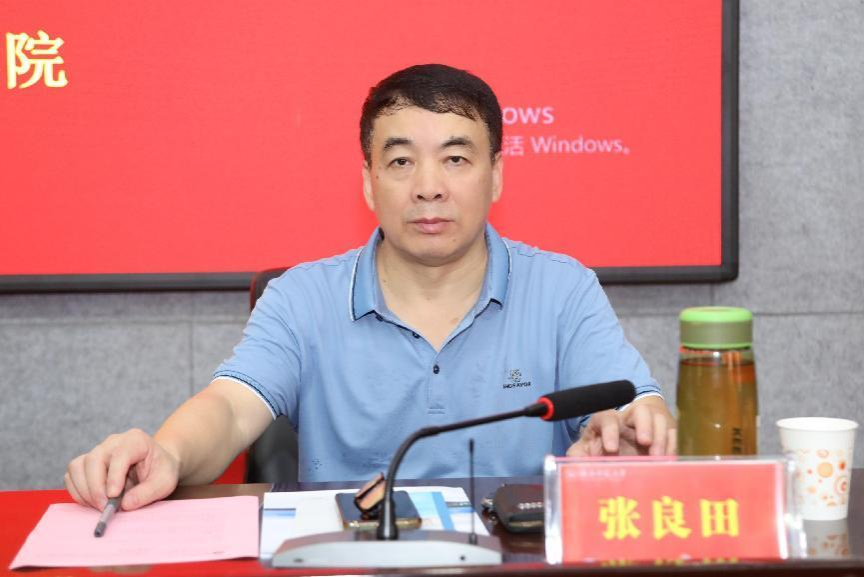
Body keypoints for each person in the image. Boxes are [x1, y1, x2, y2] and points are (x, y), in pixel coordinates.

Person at [65, 64, 676, 513]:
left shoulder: (562, 289)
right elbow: (229, 407)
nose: (429, 187)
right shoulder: (302, 298)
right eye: (401, 161)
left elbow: (631, 405)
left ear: (496, 176)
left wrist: (632, 432)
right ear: (368, 180)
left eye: (456, 159)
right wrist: (168, 453)